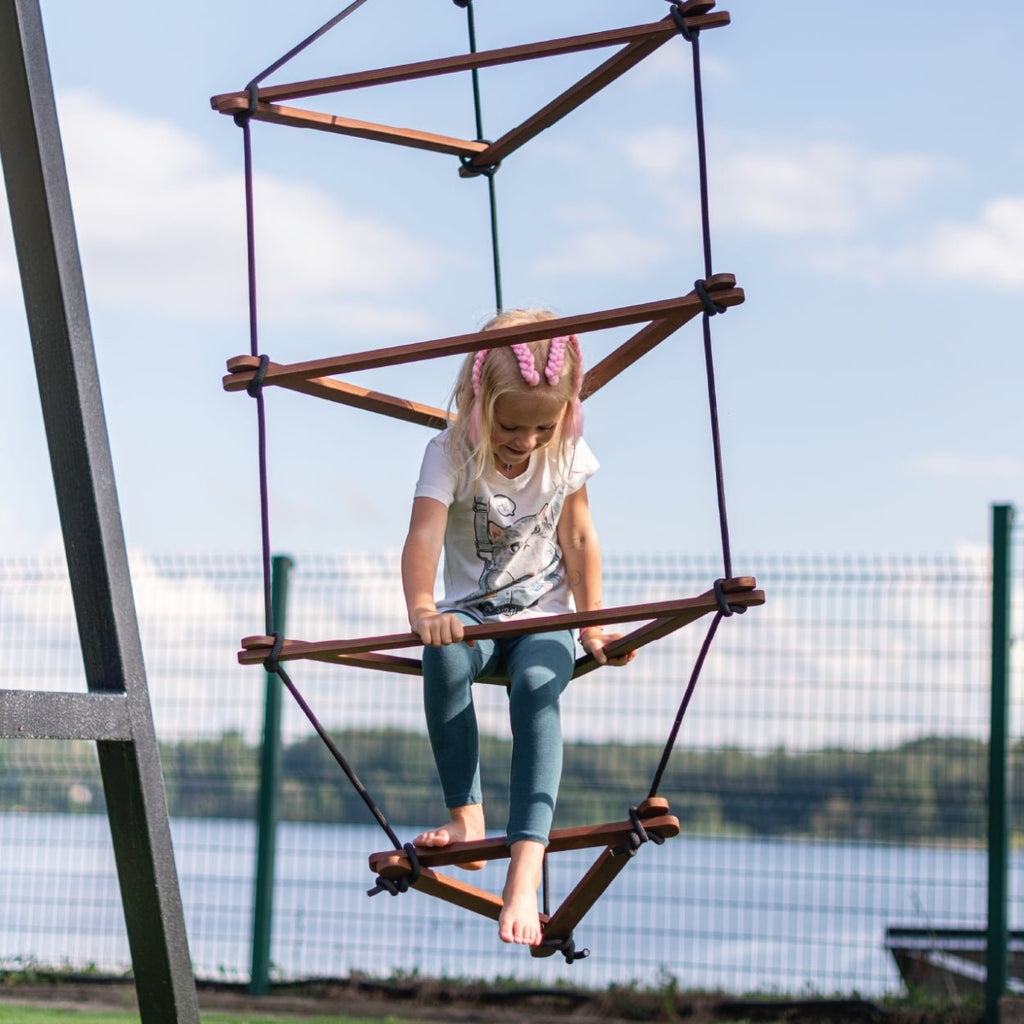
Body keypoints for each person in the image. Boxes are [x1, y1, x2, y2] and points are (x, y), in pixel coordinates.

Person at [400, 308, 635, 948]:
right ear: (478, 403)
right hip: (472, 618)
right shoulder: (448, 452)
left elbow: (580, 536)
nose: (524, 441)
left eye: (542, 425)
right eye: (509, 425)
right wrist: (424, 608)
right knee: (442, 658)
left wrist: (591, 627)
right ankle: (467, 821)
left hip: (546, 618)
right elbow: (422, 534)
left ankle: (525, 869)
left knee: (537, 688)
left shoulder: (565, 454)